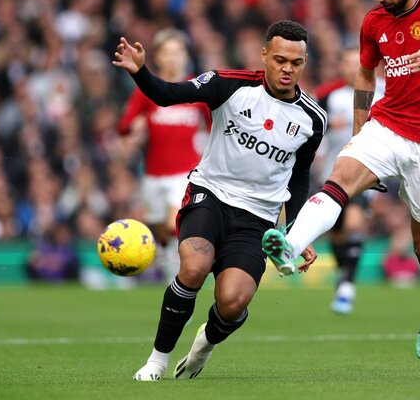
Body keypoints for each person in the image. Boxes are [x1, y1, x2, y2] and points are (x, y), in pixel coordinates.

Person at [262, 0, 420, 360]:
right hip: (388, 125)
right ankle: (290, 244)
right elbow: (364, 73)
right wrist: (361, 129)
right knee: (340, 177)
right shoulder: (373, 21)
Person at [112, 19, 324, 381]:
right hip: (210, 194)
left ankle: (204, 345)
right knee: (193, 268)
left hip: (258, 217)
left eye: (296, 62)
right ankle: (157, 361)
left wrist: (296, 230)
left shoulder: (311, 119)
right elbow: (167, 95)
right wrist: (141, 72)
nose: (287, 69)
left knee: (232, 302)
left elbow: (300, 176)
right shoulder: (227, 84)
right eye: (279, 59)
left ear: (304, 62)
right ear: (264, 56)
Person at [117, 28, 210, 284]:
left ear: (185, 56)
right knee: (162, 235)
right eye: (166, 53)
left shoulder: (196, 89)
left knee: (174, 224)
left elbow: (215, 126)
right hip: (153, 175)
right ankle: (172, 274)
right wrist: (135, 126)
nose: (172, 58)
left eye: (177, 52)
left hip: (186, 172)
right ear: (157, 57)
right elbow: (124, 125)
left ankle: (180, 286)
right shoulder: (148, 90)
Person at [313, 47, 384, 314]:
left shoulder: (383, 92)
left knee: (355, 222)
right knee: (338, 232)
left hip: (365, 172)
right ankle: (343, 276)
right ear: (340, 66)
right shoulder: (328, 96)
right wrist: (329, 126)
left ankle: (346, 287)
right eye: (347, 63)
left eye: (358, 63)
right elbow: (312, 128)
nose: (352, 68)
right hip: (331, 173)